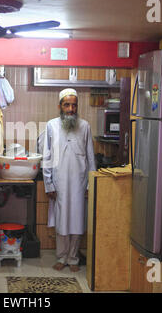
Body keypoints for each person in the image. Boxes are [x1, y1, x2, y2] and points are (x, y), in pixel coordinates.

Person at [42, 88, 96, 272]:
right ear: (60, 106)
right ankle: (61, 257)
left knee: (77, 221)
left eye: (74, 105)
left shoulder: (85, 126)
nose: (71, 109)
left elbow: (90, 156)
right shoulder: (51, 125)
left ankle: (73, 258)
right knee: (62, 220)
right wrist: (49, 183)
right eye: (67, 105)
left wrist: (91, 183)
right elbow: (47, 156)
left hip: (79, 182)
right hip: (59, 182)